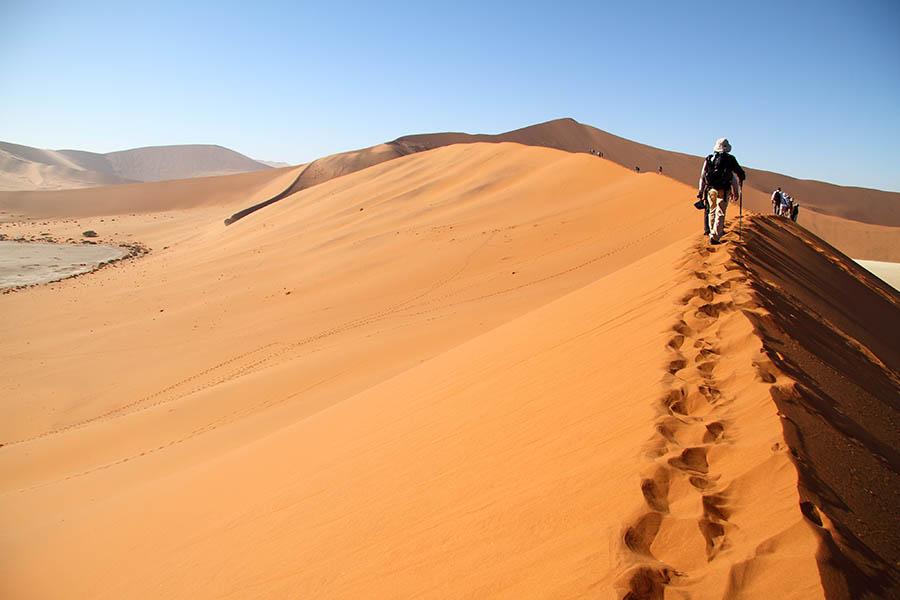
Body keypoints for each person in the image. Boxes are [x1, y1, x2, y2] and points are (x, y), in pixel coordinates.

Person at [697, 138, 746, 244]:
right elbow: (737, 175)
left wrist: (701, 190)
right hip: (724, 190)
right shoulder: (730, 159)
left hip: (711, 189)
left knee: (712, 211)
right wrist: (736, 191)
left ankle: (712, 232)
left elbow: (702, 176)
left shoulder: (709, 158)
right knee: (720, 212)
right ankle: (715, 236)